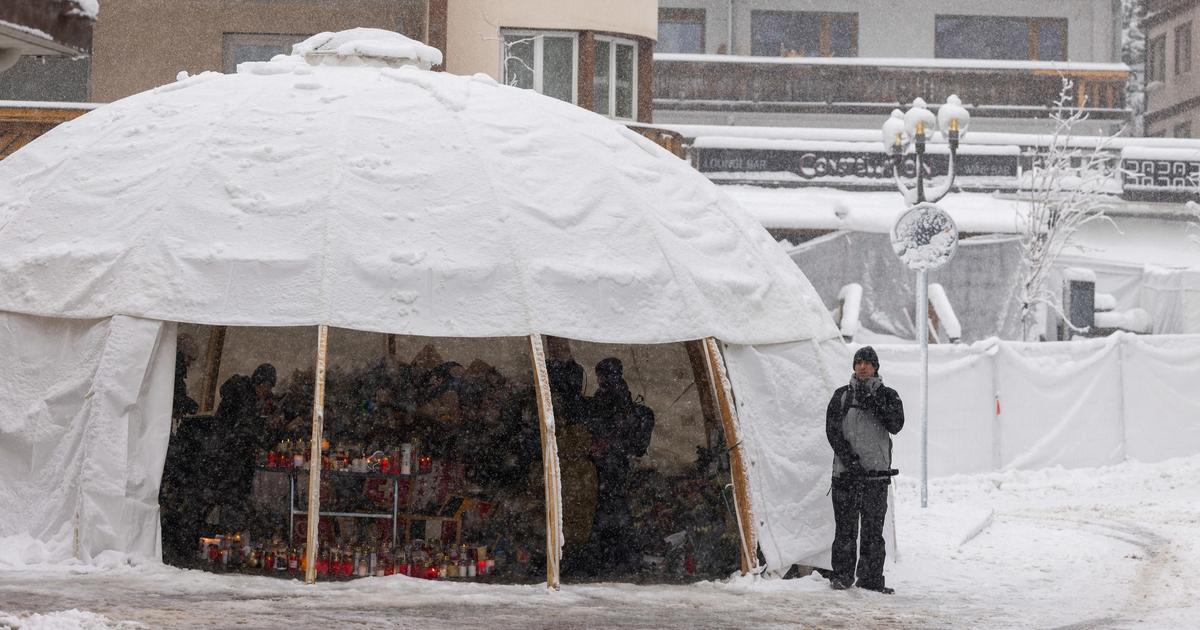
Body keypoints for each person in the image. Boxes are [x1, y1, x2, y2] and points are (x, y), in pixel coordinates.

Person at [825, 346, 904, 594]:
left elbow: (896, 424)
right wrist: (851, 462)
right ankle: (842, 577)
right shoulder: (841, 396)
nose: (862, 367)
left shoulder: (889, 395)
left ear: (876, 367)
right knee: (845, 530)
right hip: (846, 476)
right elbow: (833, 432)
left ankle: (870, 579)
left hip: (876, 477)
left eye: (868, 363)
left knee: (872, 532)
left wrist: (874, 402)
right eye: (858, 362)